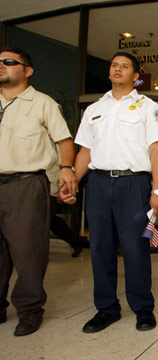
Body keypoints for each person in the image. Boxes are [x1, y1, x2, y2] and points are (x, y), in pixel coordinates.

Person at [72, 52, 158, 333]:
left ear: (135, 76)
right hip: (99, 184)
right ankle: (106, 308)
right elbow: (85, 151)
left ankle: (143, 308)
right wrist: (72, 182)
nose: (118, 69)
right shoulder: (94, 109)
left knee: (136, 248)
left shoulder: (148, 107)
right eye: (114, 65)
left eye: (125, 66)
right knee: (100, 248)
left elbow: (157, 150)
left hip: (133, 184)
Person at [0, 47, 77, 336]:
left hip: (26, 184)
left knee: (28, 251)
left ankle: (30, 310)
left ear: (27, 70)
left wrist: (67, 169)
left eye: (9, 62)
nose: (1, 66)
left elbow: (64, 141)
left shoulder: (42, 103)